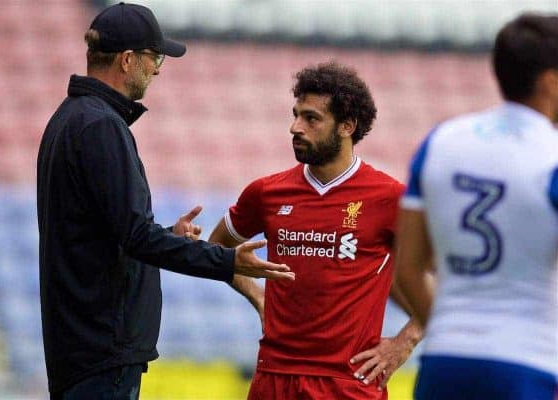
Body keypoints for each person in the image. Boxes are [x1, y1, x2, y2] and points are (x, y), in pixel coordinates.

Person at [36, 3, 294, 399]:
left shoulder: (69, 119)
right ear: (126, 60)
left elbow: (112, 230)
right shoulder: (102, 126)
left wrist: (169, 235)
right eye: (154, 58)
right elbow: (136, 236)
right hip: (102, 350)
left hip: (80, 347)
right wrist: (227, 261)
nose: (157, 69)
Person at [208, 62, 423, 400]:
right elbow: (215, 249)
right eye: (295, 115)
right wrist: (258, 296)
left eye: (311, 118)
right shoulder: (266, 193)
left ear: (347, 126)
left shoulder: (390, 197)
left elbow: (450, 282)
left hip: (348, 383)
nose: (295, 127)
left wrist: (403, 343)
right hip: (274, 377)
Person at [395, 13, 558, 400]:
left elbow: (408, 268)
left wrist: (451, 330)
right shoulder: (552, 156)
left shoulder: (442, 142)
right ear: (550, 82)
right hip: (527, 363)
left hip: (445, 361)